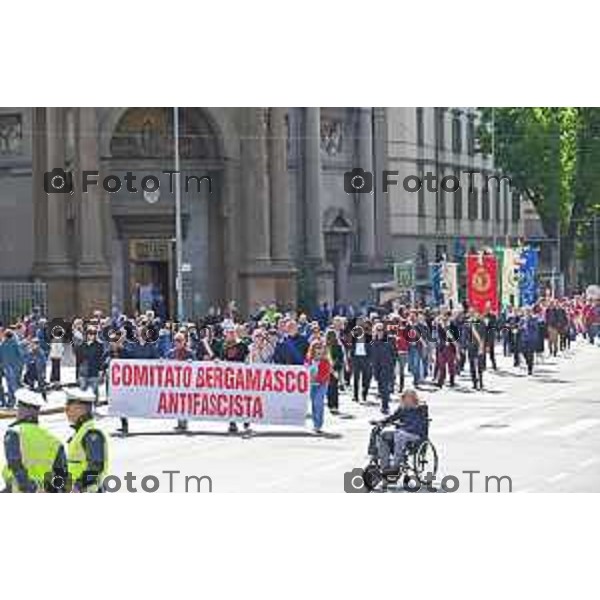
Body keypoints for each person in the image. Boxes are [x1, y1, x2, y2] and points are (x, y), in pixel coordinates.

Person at [2, 388, 67, 492]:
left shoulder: (14, 433)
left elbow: (15, 465)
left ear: (24, 410)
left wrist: (30, 488)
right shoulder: (53, 440)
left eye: (18, 407)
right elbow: (62, 477)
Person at [371, 389, 427, 472]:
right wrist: (380, 422)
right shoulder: (402, 408)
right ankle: (384, 465)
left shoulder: (420, 408)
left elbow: (417, 424)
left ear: (414, 398)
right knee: (383, 434)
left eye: (409, 397)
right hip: (402, 432)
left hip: (415, 434)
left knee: (400, 434)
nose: (406, 400)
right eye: (405, 397)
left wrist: (403, 427)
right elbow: (392, 417)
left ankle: (396, 464)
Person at [65, 387, 109, 493]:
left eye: (69, 408)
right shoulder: (81, 431)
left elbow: (96, 467)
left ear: (81, 409)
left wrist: (79, 486)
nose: (66, 412)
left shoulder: (91, 433)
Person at [370, 322, 396, 414]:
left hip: (387, 367)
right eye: (378, 330)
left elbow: (394, 354)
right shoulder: (373, 342)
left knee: (385, 387)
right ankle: (384, 402)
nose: (380, 332)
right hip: (377, 367)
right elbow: (371, 356)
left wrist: (392, 365)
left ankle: (385, 406)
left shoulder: (389, 340)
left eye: (381, 330)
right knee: (381, 388)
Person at [305, 340, 331, 434]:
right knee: (314, 404)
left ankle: (319, 424)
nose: (319, 349)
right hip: (312, 385)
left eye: (320, 347)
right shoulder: (309, 359)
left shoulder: (325, 360)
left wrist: (317, 379)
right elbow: (305, 370)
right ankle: (315, 423)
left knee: (318, 402)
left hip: (322, 384)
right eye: (317, 347)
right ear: (313, 349)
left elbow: (326, 374)